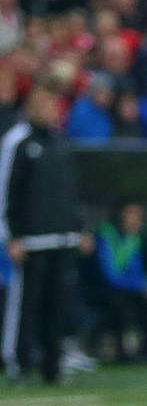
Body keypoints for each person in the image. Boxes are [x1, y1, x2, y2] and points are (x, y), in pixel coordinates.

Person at [1, 79, 85, 384]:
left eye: (53, 103)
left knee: (57, 307)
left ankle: (53, 366)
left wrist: (78, 229)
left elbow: (70, 191)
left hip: (61, 238)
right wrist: (12, 236)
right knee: (25, 306)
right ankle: (18, 364)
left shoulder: (61, 142)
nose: (50, 108)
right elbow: (6, 190)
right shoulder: (18, 141)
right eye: (44, 102)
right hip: (30, 241)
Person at [93, 200, 147, 362]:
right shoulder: (105, 237)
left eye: (137, 216)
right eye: (130, 215)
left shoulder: (133, 239)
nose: (134, 220)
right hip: (100, 290)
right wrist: (142, 286)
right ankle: (122, 352)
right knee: (120, 304)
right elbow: (109, 276)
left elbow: (136, 271)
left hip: (124, 289)